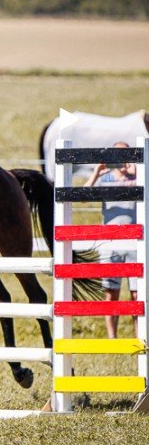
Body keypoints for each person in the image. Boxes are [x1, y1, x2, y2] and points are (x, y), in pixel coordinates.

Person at [84, 141, 138, 338]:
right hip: (110, 243)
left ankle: (140, 336)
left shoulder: (139, 178)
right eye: (117, 154)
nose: (121, 159)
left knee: (137, 295)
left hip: (136, 243)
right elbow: (83, 195)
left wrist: (138, 173)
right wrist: (97, 172)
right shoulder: (105, 178)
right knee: (111, 293)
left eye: (125, 154)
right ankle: (112, 337)